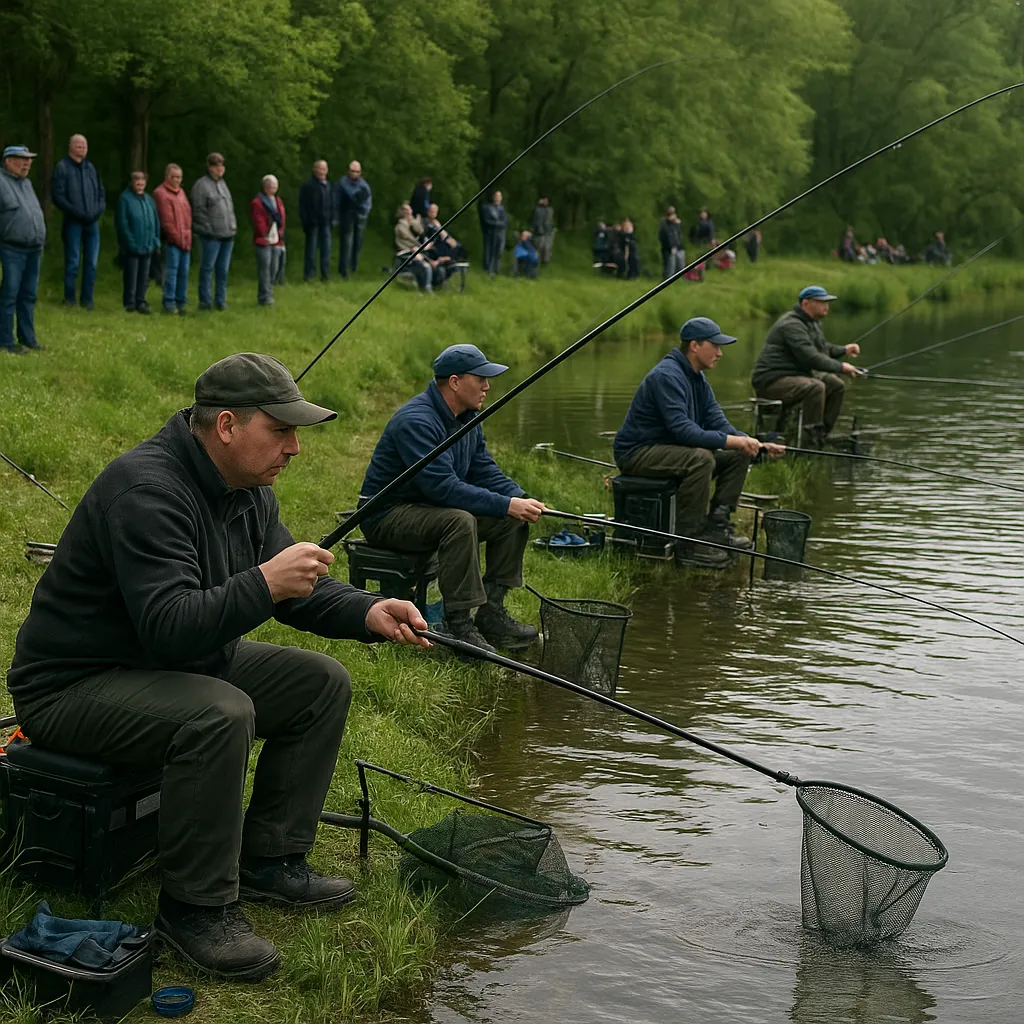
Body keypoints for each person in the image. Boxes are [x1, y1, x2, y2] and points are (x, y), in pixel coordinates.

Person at [6, 352, 429, 981]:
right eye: (281, 431)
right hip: (76, 685)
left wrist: (368, 611)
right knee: (218, 713)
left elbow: (296, 586)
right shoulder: (148, 489)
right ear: (226, 426)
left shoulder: (246, 488)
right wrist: (263, 582)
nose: (294, 448)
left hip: (170, 663)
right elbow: (171, 627)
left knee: (319, 683)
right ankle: (195, 908)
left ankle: (270, 859)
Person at [359, 344, 544, 651]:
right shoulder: (417, 421)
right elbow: (442, 488)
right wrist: (506, 503)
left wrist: (519, 498)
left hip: (426, 508)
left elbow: (483, 469)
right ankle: (458, 624)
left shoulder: (468, 417)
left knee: (510, 519)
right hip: (387, 515)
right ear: (455, 382)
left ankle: (491, 611)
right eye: (480, 378)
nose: (487, 386)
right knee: (459, 521)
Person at [614, 318, 784, 568]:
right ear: (694, 346)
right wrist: (733, 440)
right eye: (715, 346)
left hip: (668, 449)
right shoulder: (667, 376)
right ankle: (690, 542)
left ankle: (717, 527)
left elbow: (718, 422)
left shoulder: (697, 378)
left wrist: (752, 443)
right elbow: (684, 432)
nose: (720, 353)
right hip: (638, 452)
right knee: (701, 458)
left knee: (738, 454)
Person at [751, 286, 861, 445]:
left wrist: (844, 350)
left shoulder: (812, 323)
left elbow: (822, 348)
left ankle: (821, 434)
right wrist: (841, 367)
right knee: (815, 387)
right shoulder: (791, 325)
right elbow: (810, 357)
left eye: (827, 302)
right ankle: (808, 442)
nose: (826, 306)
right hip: (771, 380)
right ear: (806, 303)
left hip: (795, 375)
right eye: (822, 302)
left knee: (836, 385)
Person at [0, 145, 46, 354]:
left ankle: (28, 339)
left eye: (29, 159)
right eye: (22, 159)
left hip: (34, 249)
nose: (27, 163)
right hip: (12, 248)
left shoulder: (27, 184)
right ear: (8, 160)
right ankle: (6, 342)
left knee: (28, 295)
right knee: (9, 295)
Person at [51, 133, 105, 310]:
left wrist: (97, 211)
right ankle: (69, 298)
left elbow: (100, 193)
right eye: (78, 145)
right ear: (71, 146)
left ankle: (87, 300)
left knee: (92, 263)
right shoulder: (62, 167)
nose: (82, 148)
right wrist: (77, 212)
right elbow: (58, 196)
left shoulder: (91, 168)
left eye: (84, 145)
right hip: (73, 222)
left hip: (92, 222)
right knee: (73, 261)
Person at [191, 153, 237, 311]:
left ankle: (220, 300)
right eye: (217, 166)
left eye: (222, 166)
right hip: (211, 236)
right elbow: (198, 211)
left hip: (227, 234)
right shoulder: (201, 185)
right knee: (207, 268)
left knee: (223, 270)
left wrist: (232, 226)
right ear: (210, 167)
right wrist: (208, 230)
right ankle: (205, 301)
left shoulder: (223, 184)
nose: (220, 169)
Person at [115, 171, 160, 315]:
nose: (140, 185)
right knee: (131, 275)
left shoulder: (148, 199)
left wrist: (156, 241)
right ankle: (130, 302)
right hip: (132, 246)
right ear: (132, 183)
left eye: (142, 182)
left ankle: (141, 301)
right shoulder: (125, 199)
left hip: (148, 245)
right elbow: (122, 224)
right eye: (137, 182)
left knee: (144, 276)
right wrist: (130, 243)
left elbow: (155, 221)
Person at [152, 163, 192, 315]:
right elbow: (166, 220)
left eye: (179, 177)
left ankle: (181, 303)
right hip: (171, 241)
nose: (177, 180)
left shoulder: (181, 193)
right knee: (171, 272)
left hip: (185, 240)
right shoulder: (160, 193)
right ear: (167, 177)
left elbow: (188, 216)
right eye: (174, 177)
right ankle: (169, 302)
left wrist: (187, 237)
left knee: (184, 272)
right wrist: (176, 238)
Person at [250, 175, 286, 307]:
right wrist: (264, 233)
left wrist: (280, 232)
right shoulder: (258, 202)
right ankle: (264, 297)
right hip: (263, 240)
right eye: (272, 186)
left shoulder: (278, 201)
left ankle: (269, 293)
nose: (274, 189)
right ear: (265, 187)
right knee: (264, 269)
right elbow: (258, 220)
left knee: (274, 269)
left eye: (276, 186)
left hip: (276, 240)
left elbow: (282, 218)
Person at [335, 160, 372, 278]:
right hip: (347, 214)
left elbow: (367, 201)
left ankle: (353, 267)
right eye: (352, 171)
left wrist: (363, 211)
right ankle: (343, 269)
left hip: (360, 215)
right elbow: (341, 198)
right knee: (347, 242)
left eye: (357, 172)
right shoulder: (343, 182)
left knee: (358, 242)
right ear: (348, 171)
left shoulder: (364, 185)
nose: (354, 174)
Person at [297, 160, 332, 283]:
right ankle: (309, 275)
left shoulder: (328, 185)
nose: (322, 171)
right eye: (320, 169)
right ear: (314, 170)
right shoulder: (308, 185)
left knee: (326, 250)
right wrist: (305, 221)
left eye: (324, 169)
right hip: (313, 223)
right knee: (311, 250)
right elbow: (302, 205)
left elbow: (332, 203)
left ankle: (325, 275)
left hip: (326, 222)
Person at [394, 202, 436, 292]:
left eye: (410, 210)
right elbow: (408, 242)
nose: (410, 212)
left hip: (416, 252)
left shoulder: (412, 224)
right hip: (406, 253)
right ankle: (426, 288)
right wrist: (418, 247)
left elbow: (421, 232)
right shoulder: (400, 226)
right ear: (403, 212)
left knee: (429, 264)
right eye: (408, 210)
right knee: (425, 266)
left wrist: (414, 222)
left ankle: (427, 286)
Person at [479, 191, 507, 276]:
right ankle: (487, 268)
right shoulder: (487, 207)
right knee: (489, 250)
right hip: (490, 232)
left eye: (500, 196)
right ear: (493, 197)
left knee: (499, 251)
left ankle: (496, 269)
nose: (498, 198)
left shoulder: (502, 208)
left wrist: (499, 223)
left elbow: (505, 220)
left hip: (500, 233)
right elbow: (486, 221)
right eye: (497, 196)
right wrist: (497, 223)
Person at [658, 206, 685, 280]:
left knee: (680, 265)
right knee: (670, 267)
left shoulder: (675, 223)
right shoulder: (664, 224)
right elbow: (666, 236)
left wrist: (677, 224)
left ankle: (680, 279)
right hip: (668, 248)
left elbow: (678, 235)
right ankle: (668, 280)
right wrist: (671, 246)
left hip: (678, 247)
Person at [530, 197, 554, 264]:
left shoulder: (550, 209)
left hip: (548, 231)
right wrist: (540, 231)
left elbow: (549, 220)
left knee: (547, 247)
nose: (545, 201)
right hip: (540, 232)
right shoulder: (538, 209)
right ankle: (536, 261)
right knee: (539, 247)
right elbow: (537, 220)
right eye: (544, 200)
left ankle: (545, 261)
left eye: (546, 200)